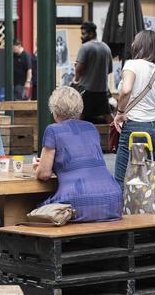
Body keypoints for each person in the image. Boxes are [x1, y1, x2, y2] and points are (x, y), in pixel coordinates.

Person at [34, 87, 122, 222]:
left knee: (35, 210)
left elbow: (44, 174)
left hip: (77, 202)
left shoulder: (52, 130)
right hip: (113, 200)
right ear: (80, 110)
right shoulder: (91, 128)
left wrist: (40, 166)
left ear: (55, 112)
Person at [113, 30, 155, 187]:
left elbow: (126, 90)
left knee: (121, 179)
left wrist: (120, 113)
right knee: (146, 178)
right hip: (154, 128)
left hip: (134, 126)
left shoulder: (132, 64)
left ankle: (121, 211)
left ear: (140, 45)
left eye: (134, 41)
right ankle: (144, 209)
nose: (132, 44)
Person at [71, 21, 113, 124]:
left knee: (78, 116)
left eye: (84, 34)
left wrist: (76, 80)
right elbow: (110, 70)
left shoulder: (85, 47)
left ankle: (72, 138)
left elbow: (79, 68)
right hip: (102, 91)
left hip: (87, 91)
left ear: (91, 34)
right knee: (108, 117)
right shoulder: (106, 48)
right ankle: (117, 137)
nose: (81, 36)